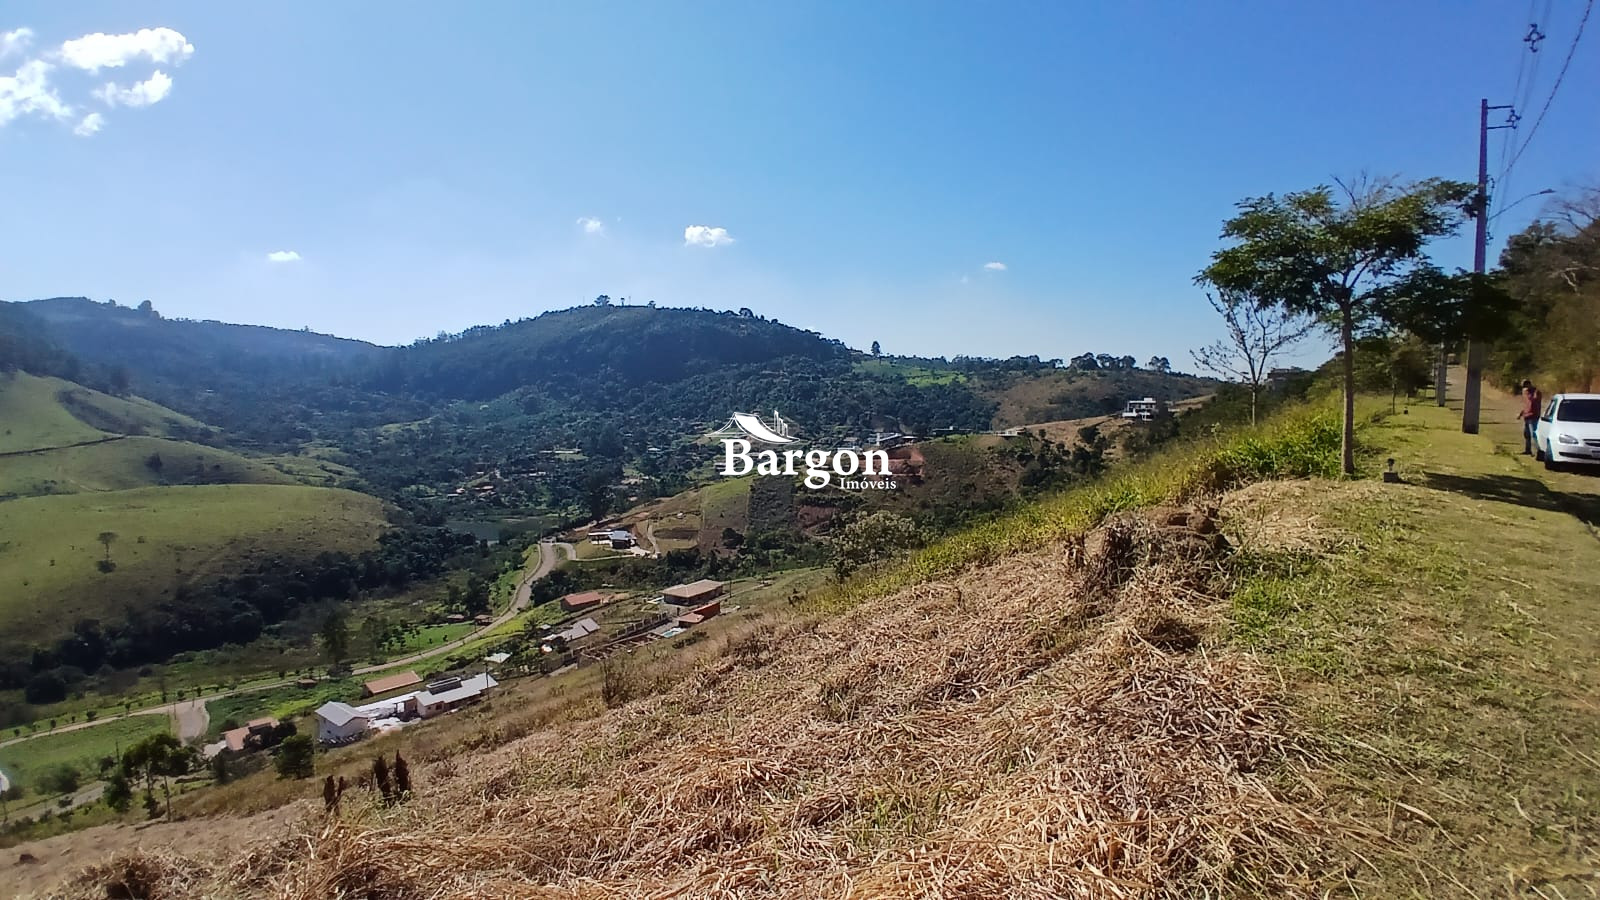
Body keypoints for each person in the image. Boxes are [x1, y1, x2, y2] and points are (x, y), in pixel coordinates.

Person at [1519, 380, 1542, 455]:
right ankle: (1528, 450)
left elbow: (1533, 401)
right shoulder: (1525, 392)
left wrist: (1529, 393)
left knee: (1534, 434)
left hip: (1534, 416)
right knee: (1527, 434)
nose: (1525, 388)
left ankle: (1538, 451)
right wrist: (1521, 413)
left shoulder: (1536, 392)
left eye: (1526, 386)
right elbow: (1526, 404)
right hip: (1526, 415)